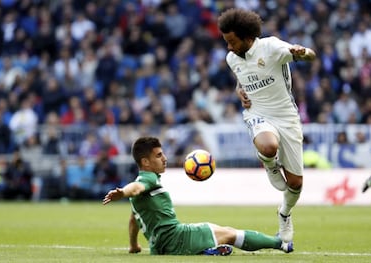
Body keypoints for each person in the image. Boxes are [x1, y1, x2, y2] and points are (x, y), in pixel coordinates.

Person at [217, 8, 317, 243]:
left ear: (247, 37)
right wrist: (238, 91)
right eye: (226, 42)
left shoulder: (271, 47)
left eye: (232, 41)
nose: (229, 47)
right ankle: (270, 163)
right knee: (268, 146)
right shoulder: (231, 58)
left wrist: (301, 52)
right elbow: (241, 82)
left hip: (286, 117)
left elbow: (311, 56)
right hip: (257, 113)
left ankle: (284, 214)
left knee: (295, 184)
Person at [103, 136, 293, 256]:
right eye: (159, 155)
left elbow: (133, 219)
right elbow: (135, 188)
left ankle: (206, 250)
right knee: (228, 234)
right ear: (145, 162)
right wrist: (122, 191)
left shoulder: (144, 186)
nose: (165, 158)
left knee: (215, 230)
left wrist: (134, 245)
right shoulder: (148, 179)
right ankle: (280, 243)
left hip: (159, 245)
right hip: (175, 239)